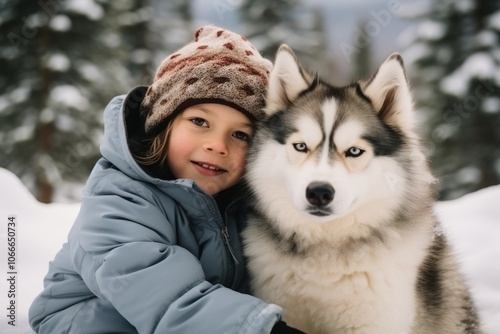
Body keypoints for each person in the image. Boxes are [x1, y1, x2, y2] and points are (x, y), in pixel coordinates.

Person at [28, 25, 304, 334]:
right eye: (200, 121)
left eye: (240, 134)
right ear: (163, 124)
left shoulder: (240, 206)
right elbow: (172, 300)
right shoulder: (118, 200)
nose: (218, 145)